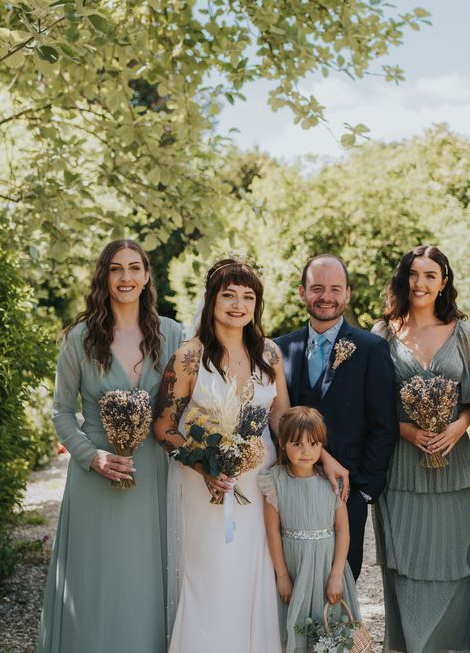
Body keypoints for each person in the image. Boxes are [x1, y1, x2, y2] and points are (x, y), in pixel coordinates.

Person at [38, 240, 183, 653]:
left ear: (147, 276)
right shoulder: (80, 339)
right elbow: (61, 412)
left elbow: (193, 402)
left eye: (134, 268)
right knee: (94, 577)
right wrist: (90, 455)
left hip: (153, 470)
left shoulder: (172, 335)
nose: (126, 278)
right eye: (116, 269)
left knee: (145, 576)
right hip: (95, 476)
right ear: (104, 276)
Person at [153, 257, 290, 651]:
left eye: (248, 296)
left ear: (256, 304)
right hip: (205, 484)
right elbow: (163, 427)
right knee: (212, 575)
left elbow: (280, 419)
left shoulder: (271, 355)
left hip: (258, 482)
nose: (238, 304)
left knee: (256, 575)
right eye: (228, 295)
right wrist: (204, 467)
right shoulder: (188, 357)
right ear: (212, 299)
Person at [372, 244, 470, 653]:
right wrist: (406, 431)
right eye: (413, 274)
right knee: (405, 567)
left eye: (430, 275)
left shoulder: (464, 333)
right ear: (404, 279)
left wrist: (458, 426)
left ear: (444, 282)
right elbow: (373, 404)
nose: (420, 283)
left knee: (455, 565)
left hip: (451, 467)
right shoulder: (383, 333)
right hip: (401, 469)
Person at [275, 254, 397, 580]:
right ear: (302, 292)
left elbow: (384, 425)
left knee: (340, 584)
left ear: (347, 294)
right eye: (317, 288)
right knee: (292, 579)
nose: (325, 297)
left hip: (346, 492)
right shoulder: (279, 350)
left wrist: (363, 491)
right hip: (291, 490)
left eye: (334, 288)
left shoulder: (371, 349)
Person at [259, 406, 361, 653]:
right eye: (297, 444)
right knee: (298, 628)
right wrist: (282, 576)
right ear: (282, 443)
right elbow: (272, 531)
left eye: (314, 444)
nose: (307, 452)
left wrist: (336, 575)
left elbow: (343, 531)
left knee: (331, 626)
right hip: (296, 569)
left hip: (328, 568)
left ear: (322, 445)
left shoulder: (331, 482)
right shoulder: (275, 482)